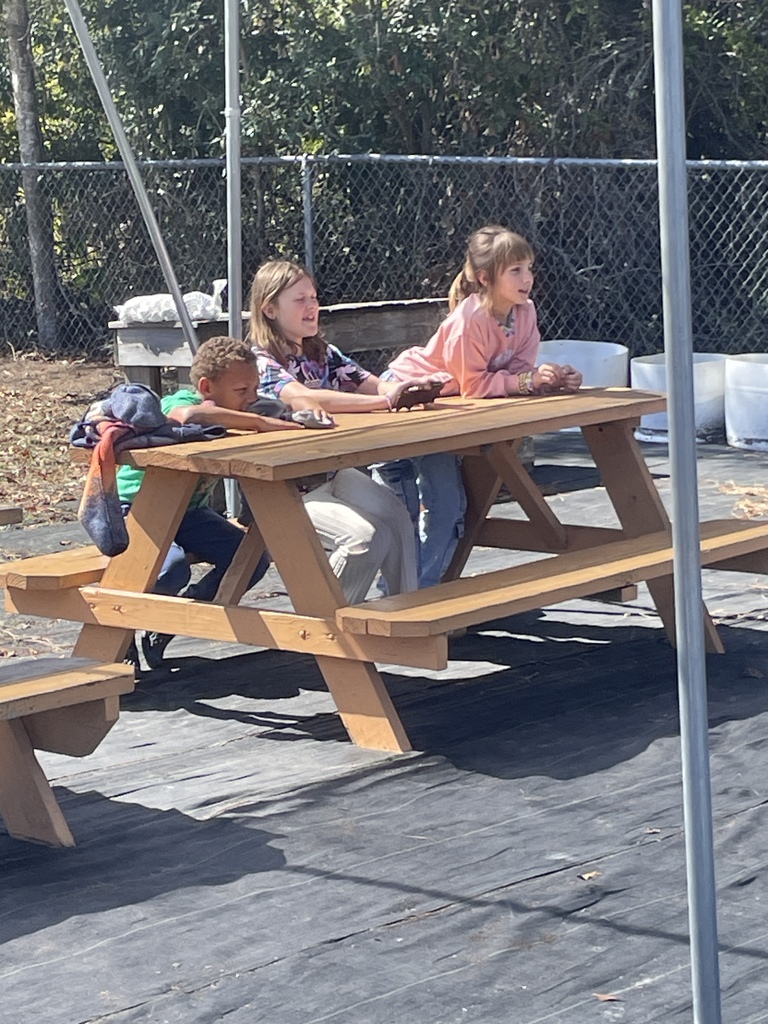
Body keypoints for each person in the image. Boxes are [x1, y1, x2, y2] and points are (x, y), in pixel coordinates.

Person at [373, 224, 584, 587]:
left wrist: (551, 378)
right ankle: (395, 596)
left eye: (529, 268)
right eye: (515, 270)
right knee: (400, 514)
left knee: (448, 509)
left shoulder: (525, 312)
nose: (527, 278)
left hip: (443, 416)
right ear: (486, 277)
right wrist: (525, 382)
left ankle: (420, 595)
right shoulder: (469, 321)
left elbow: (518, 372)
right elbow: (473, 386)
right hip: (406, 406)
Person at [117, 335, 303, 669]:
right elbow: (186, 417)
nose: (251, 398)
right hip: (139, 508)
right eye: (241, 391)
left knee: (251, 559)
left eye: (254, 388)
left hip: (188, 512)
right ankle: (120, 632)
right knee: (169, 571)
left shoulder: (235, 411)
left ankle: (176, 617)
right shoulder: (185, 400)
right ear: (207, 387)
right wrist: (259, 422)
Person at [249, 259, 427, 603]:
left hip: (332, 472)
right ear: (269, 309)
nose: (312, 307)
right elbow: (303, 398)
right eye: (299, 300)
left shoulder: (322, 352)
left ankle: (405, 610)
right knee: (363, 540)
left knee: (398, 520)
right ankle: (330, 622)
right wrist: (386, 403)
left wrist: (408, 390)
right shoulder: (259, 360)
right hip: (287, 485)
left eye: (314, 298)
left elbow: (370, 384)